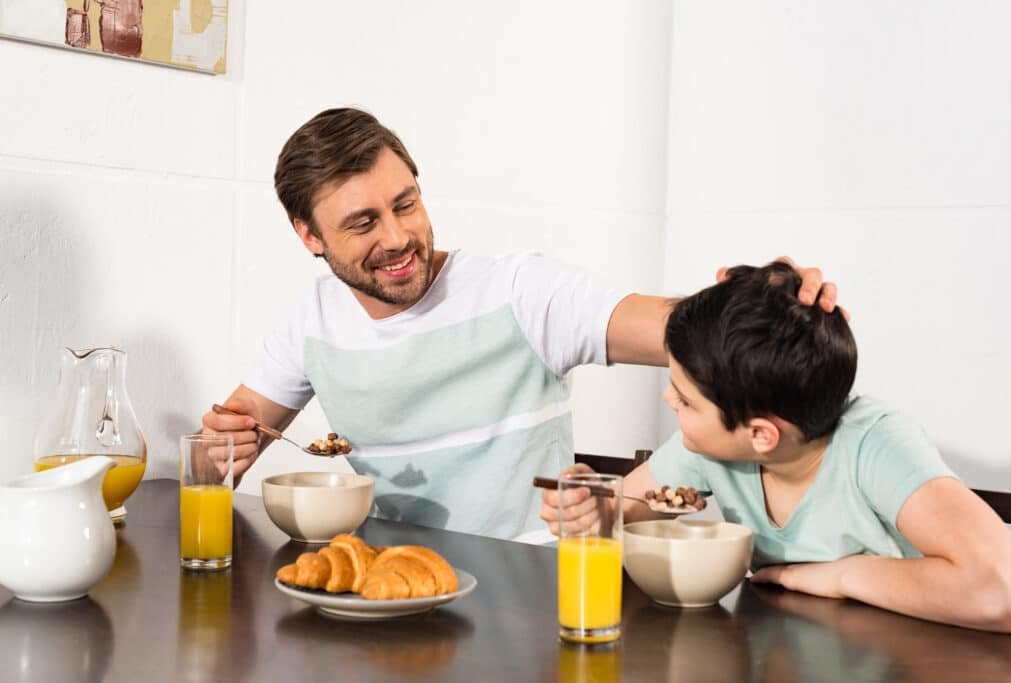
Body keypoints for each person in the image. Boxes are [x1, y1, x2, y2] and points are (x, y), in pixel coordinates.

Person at [200, 107, 837, 541]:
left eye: (406, 205)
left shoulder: (521, 291)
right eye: (363, 223)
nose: (398, 239)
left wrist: (767, 297)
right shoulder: (310, 324)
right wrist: (223, 447)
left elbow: (686, 328)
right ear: (309, 235)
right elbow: (217, 457)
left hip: (533, 588)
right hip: (391, 590)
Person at [541, 261, 1011, 632]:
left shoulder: (876, 445)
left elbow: (1006, 591)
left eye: (685, 400)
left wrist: (840, 576)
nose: (670, 400)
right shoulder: (708, 447)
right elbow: (620, 511)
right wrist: (588, 505)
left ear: (761, 435)